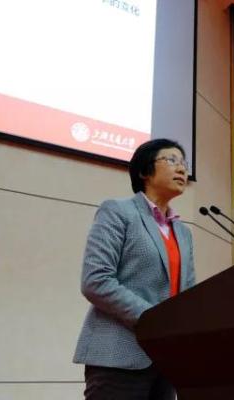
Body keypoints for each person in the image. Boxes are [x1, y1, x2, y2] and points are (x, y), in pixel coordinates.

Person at [73, 139, 195, 400]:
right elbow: (96, 280)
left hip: (165, 360)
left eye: (184, 163)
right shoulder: (118, 211)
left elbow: (188, 295)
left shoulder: (183, 233)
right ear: (144, 171)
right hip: (118, 355)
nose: (182, 169)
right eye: (172, 160)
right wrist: (153, 320)